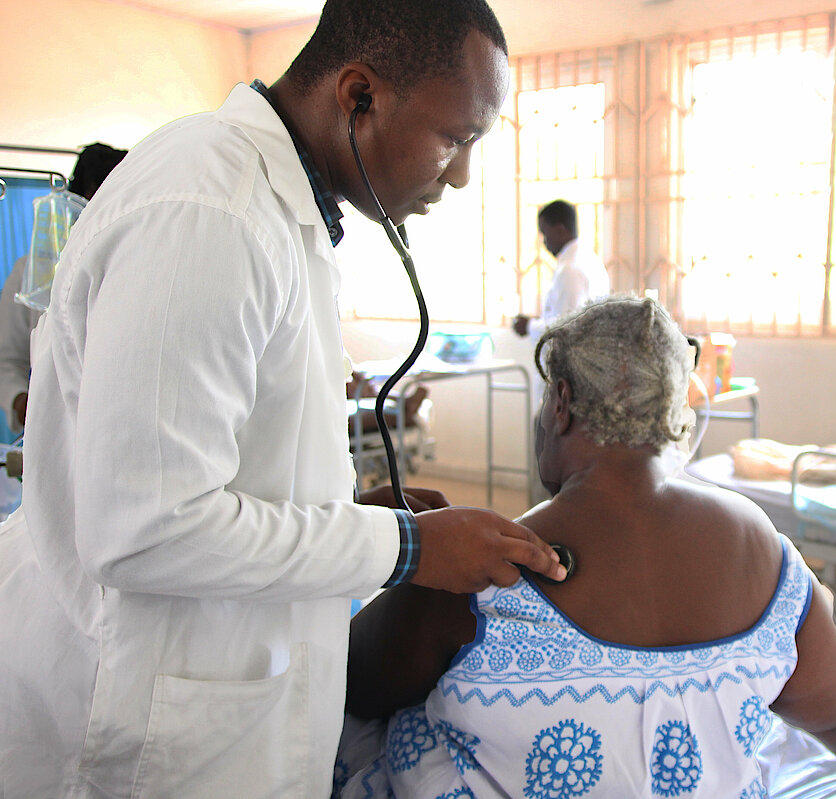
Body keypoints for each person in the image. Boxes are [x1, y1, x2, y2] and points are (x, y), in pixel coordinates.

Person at [0, 1, 566, 796]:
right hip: (141, 711)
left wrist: (343, 509)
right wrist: (405, 547)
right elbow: (141, 527)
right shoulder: (209, 212)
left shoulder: (277, 209)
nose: (462, 174)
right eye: (454, 138)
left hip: (208, 689)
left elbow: (218, 461)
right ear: (359, 95)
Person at [335, 296, 836, 797]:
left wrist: (405, 549)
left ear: (560, 403)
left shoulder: (487, 572)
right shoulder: (763, 547)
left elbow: (353, 685)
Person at [0, 143, 127, 434]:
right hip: (54, 428)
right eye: (95, 199)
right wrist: (22, 401)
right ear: (75, 202)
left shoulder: (136, 272)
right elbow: (6, 362)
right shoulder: (32, 275)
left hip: (115, 425)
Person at [511, 199, 610, 340]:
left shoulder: (570, 269)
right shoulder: (589, 258)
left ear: (560, 230)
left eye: (545, 234)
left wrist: (529, 326)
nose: (544, 242)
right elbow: (568, 314)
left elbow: (567, 327)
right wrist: (540, 320)